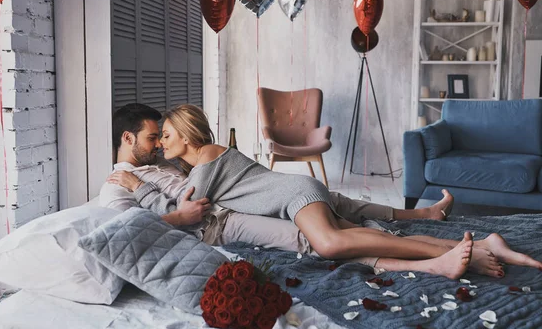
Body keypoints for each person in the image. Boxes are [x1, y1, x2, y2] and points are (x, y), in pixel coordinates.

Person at [109, 104, 542, 280]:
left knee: (331, 243)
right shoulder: (208, 155)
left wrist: (137, 185)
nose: (162, 143)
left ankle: (443, 254)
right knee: (356, 236)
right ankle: (483, 243)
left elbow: (191, 210)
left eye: (166, 135)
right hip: (299, 194)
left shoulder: (204, 159)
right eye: (158, 138)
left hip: (297, 194)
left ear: (186, 134)